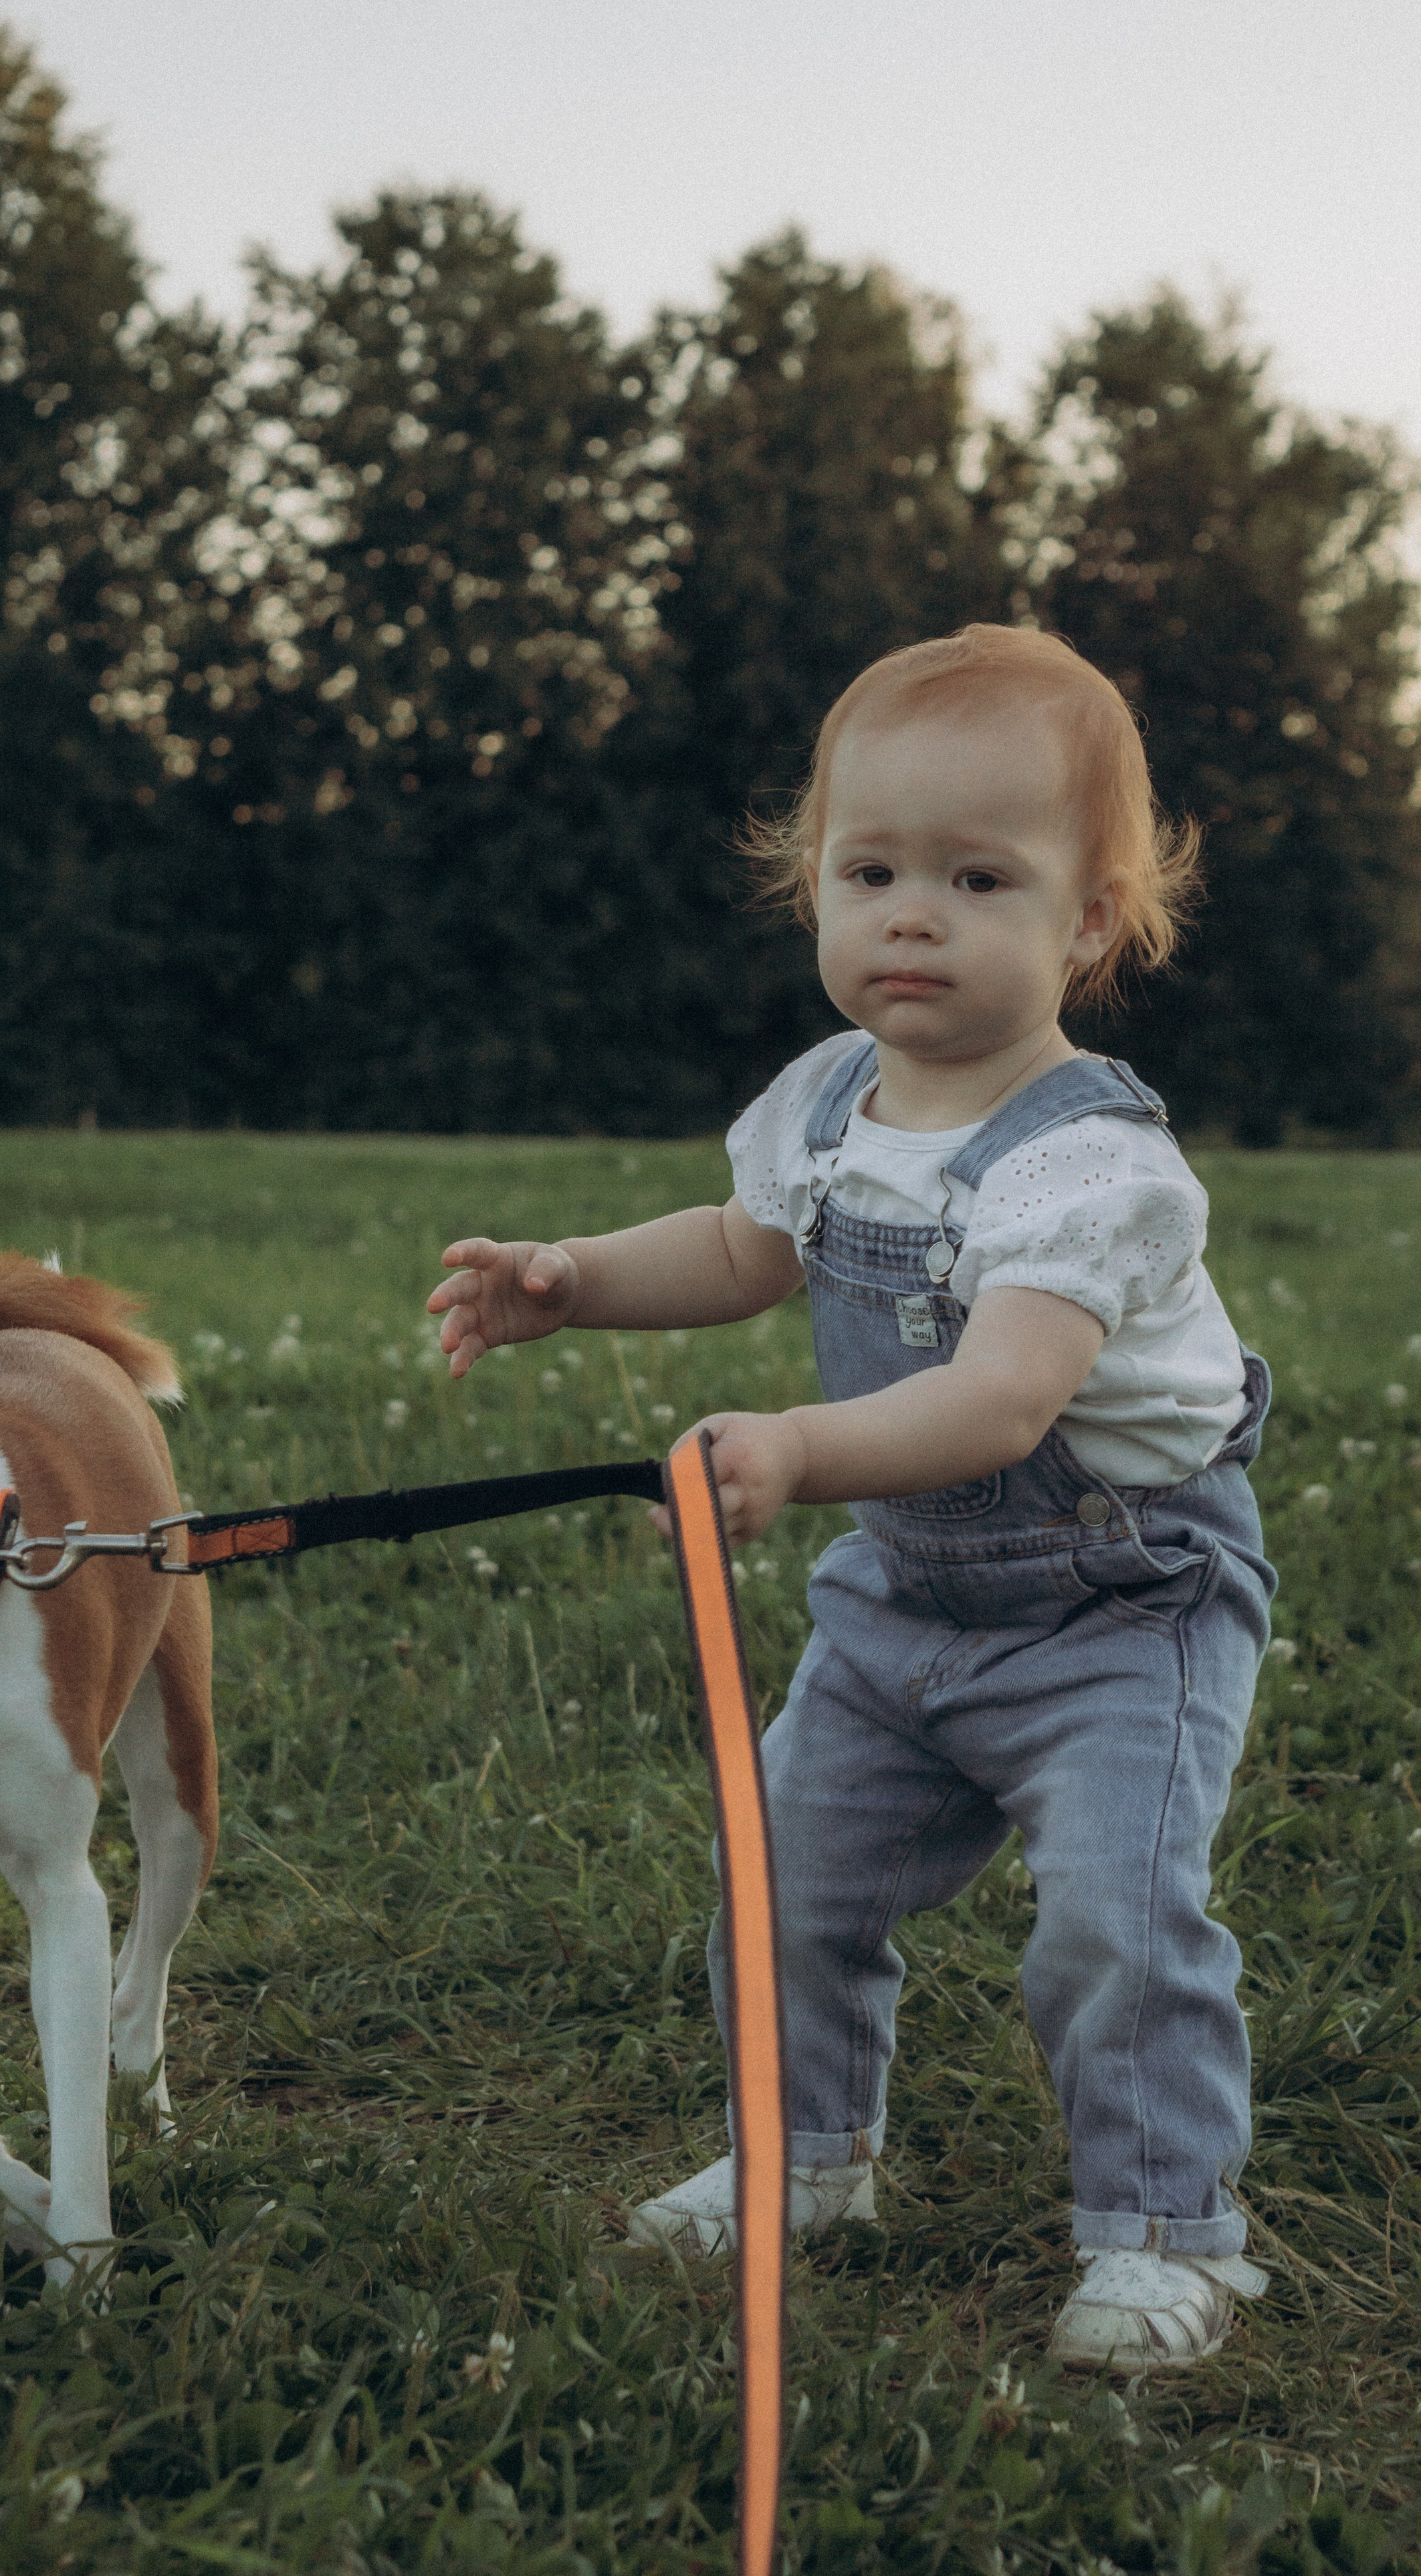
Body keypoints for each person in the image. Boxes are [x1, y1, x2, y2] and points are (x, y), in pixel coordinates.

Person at [427, 625, 1275, 2370]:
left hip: (1121, 1609)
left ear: (1089, 922)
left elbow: (1003, 1398)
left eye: (979, 878)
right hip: (908, 1601)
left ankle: (1163, 2233)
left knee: (1115, 1919)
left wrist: (802, 1450)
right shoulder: (825, 1102)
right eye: (871, 871)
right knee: (786, 1871)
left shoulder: (1092, 1162)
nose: (913, 917)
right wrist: (572, 1280)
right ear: (810, 880)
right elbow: (744, 1249)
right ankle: (805, 2155)